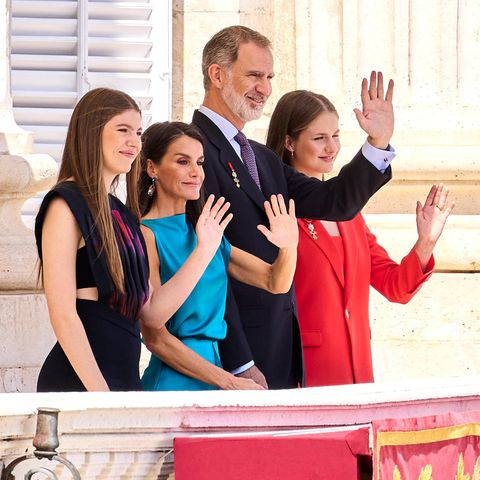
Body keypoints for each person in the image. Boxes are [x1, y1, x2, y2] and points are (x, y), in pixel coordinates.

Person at [192, 25, 396, 389]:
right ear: (217, 74)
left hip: (284, 357)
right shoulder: (194, 150)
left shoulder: (263, 159)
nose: (265, 88)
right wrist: (239, 362)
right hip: (233, 361)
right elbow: (209, 268)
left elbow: (335, 201)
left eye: (269, 77)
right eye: (254, 75)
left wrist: (377, 143)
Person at [266, 90, 454, 386]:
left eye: (336, 135)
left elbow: (395, 287)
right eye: (319, 138)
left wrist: (425, 242)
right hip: (304, 372)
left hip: (358, 372)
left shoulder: (351, 217)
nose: (331, 147)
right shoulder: (278, 212)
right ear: (289, 142)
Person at [137, 121, 298, 391]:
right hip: (174, 383)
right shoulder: (145, 234)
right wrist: (229, 381)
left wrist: (289, 246)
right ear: (152, 168)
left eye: (199, 162)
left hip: (216, 377)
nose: (196, 173)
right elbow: (154, 333)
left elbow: (275, 282)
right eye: (182, 162)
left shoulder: (206, 231)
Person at [34, 87, 153, 391]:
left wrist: (204, 250)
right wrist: (101, 398)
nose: (134, 142)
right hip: (82, 383)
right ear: (91, 133)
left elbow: (149, 311)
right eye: (122, 129)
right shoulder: (65, 204)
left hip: (124, 380)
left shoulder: (123, 214)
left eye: (138, 132)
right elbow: (63, 315)